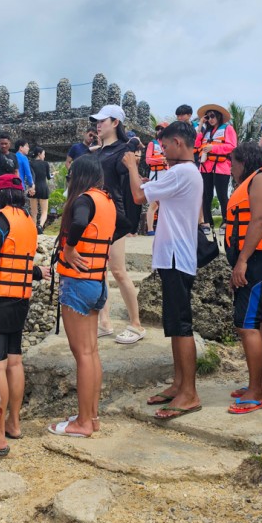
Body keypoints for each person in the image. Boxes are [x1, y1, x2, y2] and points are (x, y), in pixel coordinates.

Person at [122, 121, 203, 419]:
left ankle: (189, 393)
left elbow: (138, 196)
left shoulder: (181, 172)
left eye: (166, 146)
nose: (163, 153)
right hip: (175, 257)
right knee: (174, 325)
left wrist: (132, 165)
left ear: (179, 143)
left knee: (181, 326)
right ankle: (179, 384)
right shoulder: (185, 173)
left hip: (176, 258)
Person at [0, 174, 50, 456]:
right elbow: (24, 265)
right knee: (15, 361)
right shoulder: (28, 222)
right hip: (21, 300)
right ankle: (14, 423)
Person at [48, 155, 115, 437]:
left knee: (83, 355)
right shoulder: (107, 200)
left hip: (77, 283)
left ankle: (83, 424)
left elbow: (78, 221)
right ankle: (92, 416)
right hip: (97, 282)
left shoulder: (84, 200)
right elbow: (123, 224)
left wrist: (71, 248)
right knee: (91, 353)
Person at [224, 143, 262, 413]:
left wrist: (242, 260)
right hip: (258, 259)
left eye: (232, 163)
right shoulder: (256, 179)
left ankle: (256, 393)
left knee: (247, 324)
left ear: (244, 161)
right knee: (257, 322)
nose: (231, 169)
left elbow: (260, 220)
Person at [91, 104, 145, 344]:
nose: (98, 124)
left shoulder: (123, 150)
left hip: (115, 215)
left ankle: (136, 324)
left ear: (116, 123)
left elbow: (130, 174)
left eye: (103, 121)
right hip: (96, 214)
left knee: (118, 270)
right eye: (97, 121)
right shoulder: (99, 151)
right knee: (99, 270)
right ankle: (104, 322)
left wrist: (133, 145)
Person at [194, 104, 237, 228]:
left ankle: (226, 221)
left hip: (221, 167)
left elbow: (232, 146)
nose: (210, 119)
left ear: (218, 116)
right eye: (208, 116)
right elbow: (196, 146)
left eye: (212, 116)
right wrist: (201, 124)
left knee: (222, 194)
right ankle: (207, 222)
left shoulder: (228, 129)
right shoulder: (205, 131)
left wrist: (214, 147)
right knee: (206, 195)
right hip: (206, 166)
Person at [144, 121, 170, 235]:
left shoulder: (170, 143)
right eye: (158, 129)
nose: (159, 130)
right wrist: (162, 160)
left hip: (167, 175)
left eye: (162, 129)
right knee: (154, 203)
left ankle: (165, 230)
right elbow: (148, 160)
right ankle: (150, 230)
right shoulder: (152, 144)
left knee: (167, 203)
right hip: (155, 175)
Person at [29, 146, 51, 233]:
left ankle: (34, 229)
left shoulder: (30, 163)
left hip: (33, 188)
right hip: (43, 187)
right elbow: (48, 177)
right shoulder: (45, 164)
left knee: (34, 212)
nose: (44, 156)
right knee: (44, 211)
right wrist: (52, 175)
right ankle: (40, 226)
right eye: (43, 154)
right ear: (39, 154)